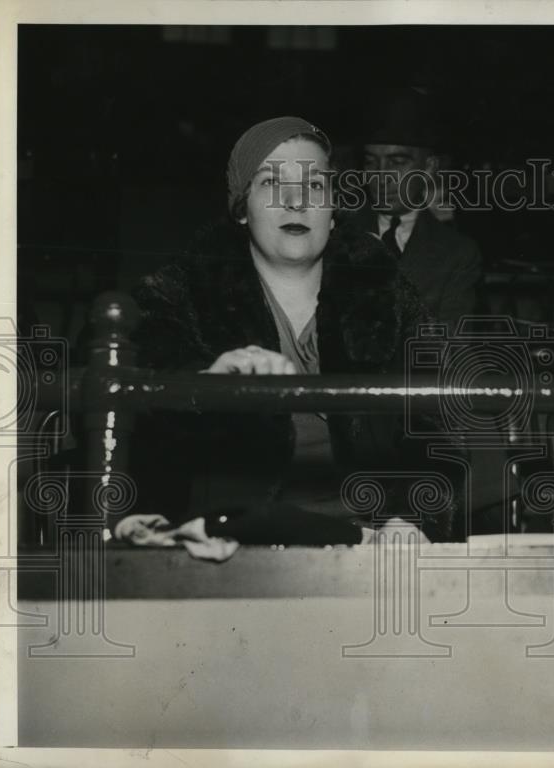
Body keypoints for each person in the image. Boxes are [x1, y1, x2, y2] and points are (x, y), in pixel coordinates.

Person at [128, 116, 460, 543]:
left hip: (366, 542)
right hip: (231, 546)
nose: (296, 202)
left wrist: (411, 518)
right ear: (241, 209)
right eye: (270, 183)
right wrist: (205, 390)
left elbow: (439, 432)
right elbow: (134, 431)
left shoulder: (388, 299)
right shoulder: (178, 298)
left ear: (334, 211)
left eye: (315, 186)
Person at [355, 87, 482, 332]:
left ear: (429, 168)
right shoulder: (333, 237)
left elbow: (451, 349)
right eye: (371, 162)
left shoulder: (457, 254)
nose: (381, 177)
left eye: (397, 162)